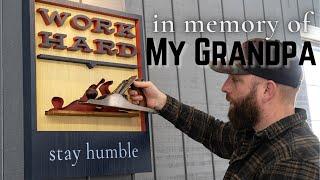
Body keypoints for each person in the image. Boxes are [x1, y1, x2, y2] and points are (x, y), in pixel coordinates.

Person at [129, 38, 320, 179]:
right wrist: (160, 101)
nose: (224, 87)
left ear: (267, 90)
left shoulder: (296, 163)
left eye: (235, 80)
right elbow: (213, 132)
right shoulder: (255, 134)